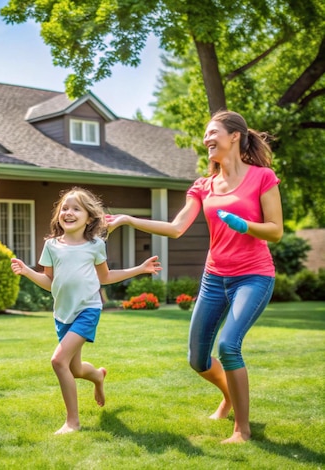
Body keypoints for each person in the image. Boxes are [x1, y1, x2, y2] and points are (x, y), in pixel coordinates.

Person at [106, 110, 283, 444]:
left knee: (229, 345)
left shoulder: (262, 177)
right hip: (214, 277)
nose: (206, 139)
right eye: (205, 134)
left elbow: (275, 231)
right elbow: (175, 228)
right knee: (197, 359)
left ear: (235, 136)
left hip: (253, 275)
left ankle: (241, 430)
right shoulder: (203, 186)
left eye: (212, 132)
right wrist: (129, 219)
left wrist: (246, 226)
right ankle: (229, 396)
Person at [11, 187, 162, 435]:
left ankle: (73, 422)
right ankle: (98, 377)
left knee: (58, 361)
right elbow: (50, 282)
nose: (68, 212)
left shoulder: (94, 246)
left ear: (90, 218)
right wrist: (28, 272)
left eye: (76, 208)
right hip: (62, 314)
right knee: (75, 369)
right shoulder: (51, 246)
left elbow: (105, 277)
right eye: (65, 208)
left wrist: (139, 269)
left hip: (87, 310)